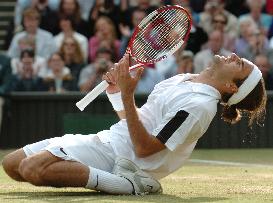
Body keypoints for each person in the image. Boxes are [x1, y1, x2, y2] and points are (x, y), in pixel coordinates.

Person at [2, 53, 267, 195]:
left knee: (31, 168)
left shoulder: (199, 107)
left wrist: (128, 95)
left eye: (239, 63)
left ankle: (129, 184)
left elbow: (144, 148)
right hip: (109, 140)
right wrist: (118, 93)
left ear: (232, 86)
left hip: (128, 159)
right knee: (12, 166)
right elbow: (138, 122)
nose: (233, 55)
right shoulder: (186, 79)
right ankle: (118, 180)